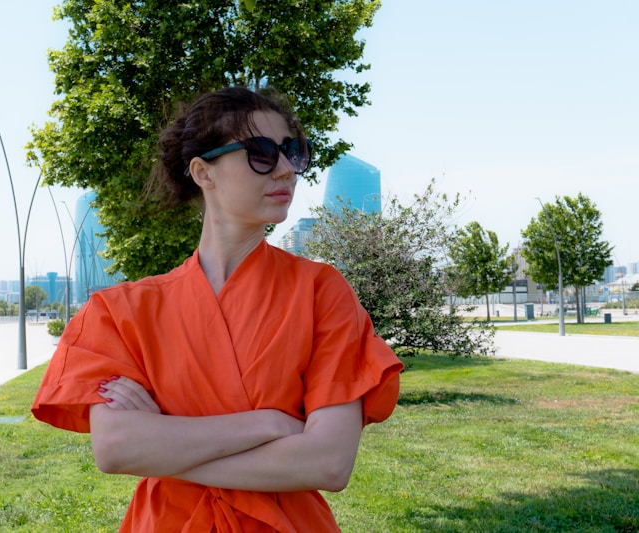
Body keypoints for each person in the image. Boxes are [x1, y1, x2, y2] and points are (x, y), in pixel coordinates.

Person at [31, 86, 404, 532]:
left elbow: (327, 463)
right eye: (262, 153)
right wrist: (269, 423)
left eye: (293, 152)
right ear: (203, 173)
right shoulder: (119, 311)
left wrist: (164, 444)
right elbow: (115, 449)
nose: (286, 169)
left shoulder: (322, 292)